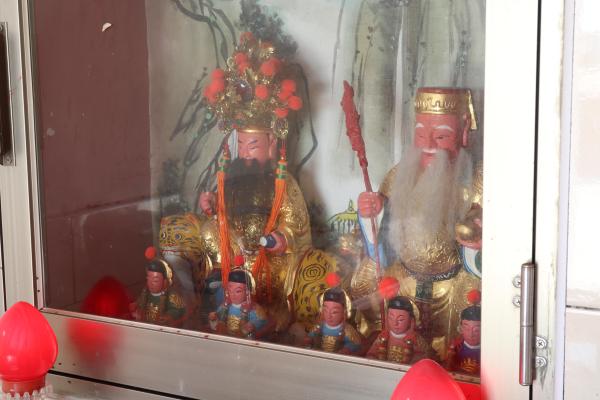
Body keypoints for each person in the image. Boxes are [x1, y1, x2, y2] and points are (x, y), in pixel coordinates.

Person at [199, 32, 312, 331]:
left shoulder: (281, 181)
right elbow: (223, 213)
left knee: (267, 284)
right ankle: (222, 294)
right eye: (241, 144)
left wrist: (282, 238)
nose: (246, 153)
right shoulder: (232, 176)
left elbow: (296, 223)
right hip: (235, 252)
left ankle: (266, 315)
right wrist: (211, 206)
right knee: (210, 230)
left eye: (253, 145)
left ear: (271, 143)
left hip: (269, 260)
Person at [357, 87, 482, 354]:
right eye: (421, 135)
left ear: (463, 132)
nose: (429, 145)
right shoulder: (398, 175)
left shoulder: (477, 181)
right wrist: (373, 213)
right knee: (363, 280)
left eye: (441, 136)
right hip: (403, 278)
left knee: (477, 304)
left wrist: (479, 238)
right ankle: (381, 344)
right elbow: (381, 242)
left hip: (453, 284)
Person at [305, 276, 364, 355]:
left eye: (334, 312)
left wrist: (347, 349)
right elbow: (310, 336)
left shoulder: (347, 331)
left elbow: (356, 344)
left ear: (344, 312)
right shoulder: (319, 327)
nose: (329, 316)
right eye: (326, 311)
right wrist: (308, 340)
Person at [366, 296, 432, 364]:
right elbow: (371, 356)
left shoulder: (416, 340)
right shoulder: (382, 337)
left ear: (410, 320)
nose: (395, 323)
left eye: (401, 319)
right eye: (391, 318)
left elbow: (422, 360)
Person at [208, 268, 270, 339]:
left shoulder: (254, 308)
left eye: (238, 291)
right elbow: (217, 320)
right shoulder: (225, 305)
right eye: (230, 291)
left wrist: (253, 325)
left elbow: (262, 321)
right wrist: (213, 318)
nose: (233, 295)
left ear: (247, 292)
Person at [131, 257, 186, 327]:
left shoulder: (172, 296)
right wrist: (135, 305)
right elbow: (140, 302)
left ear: (165, 281)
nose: (151, 283)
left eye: (155, 281)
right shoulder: (145, 293)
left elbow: (179, 309)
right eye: (148, 279)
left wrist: (169, 316)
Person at [446, 291, 481, 375]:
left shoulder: (489, 350)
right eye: (467, 328)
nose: (471, 334)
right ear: (461, 328)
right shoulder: (456, 348)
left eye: (476, 330)